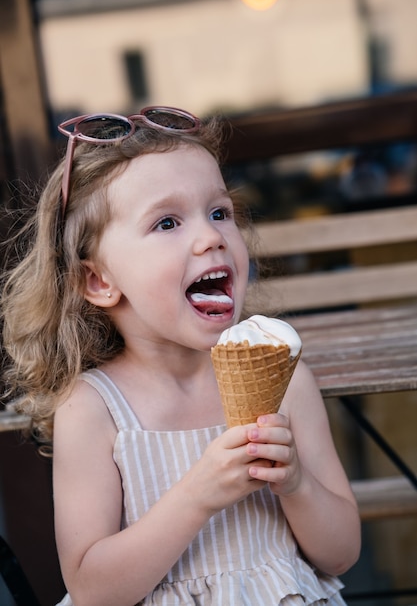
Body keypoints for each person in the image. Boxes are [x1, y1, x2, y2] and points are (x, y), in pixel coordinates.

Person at [1, 106, 361, 606]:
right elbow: (92, 589)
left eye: (219, 213)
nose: (212, 236)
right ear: (98, 281)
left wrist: (296, 483)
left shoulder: (288, 381)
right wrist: (197, 496)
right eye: (167, 222)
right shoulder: (93, 408)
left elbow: (341, 554)